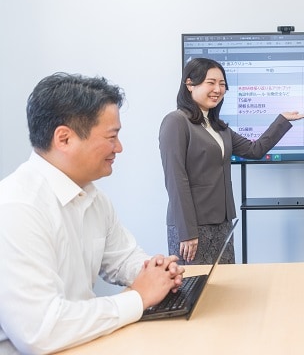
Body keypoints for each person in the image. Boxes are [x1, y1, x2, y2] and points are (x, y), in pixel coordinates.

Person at [0, 73, 185, 355]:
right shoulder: (16, 207)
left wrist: (155, 270)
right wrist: (138, 297)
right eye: (112, 137)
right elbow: (40, 331)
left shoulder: (92, 197)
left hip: (82, 342)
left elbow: (122, 257)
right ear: (64, 139)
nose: (119, 148)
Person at [159, 57, 304, 265]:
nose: (218, 89)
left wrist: (282, 121)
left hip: (222, 222)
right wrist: (187, 232)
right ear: (190, 84)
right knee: (195, 283)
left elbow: (255, 150)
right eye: (211, 82)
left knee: (225, 281)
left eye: (222, 84)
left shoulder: (218, 127)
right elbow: (175, 179)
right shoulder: (176, 121)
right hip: (192, 227)